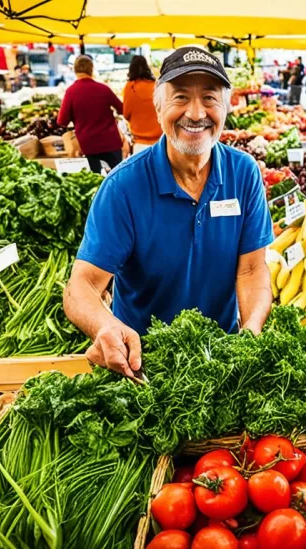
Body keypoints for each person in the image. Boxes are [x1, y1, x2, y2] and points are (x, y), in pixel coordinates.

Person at [64, 47, 274, 379]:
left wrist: (251, 330)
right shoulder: (123, 187)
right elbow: (81, 286)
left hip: (220, 360)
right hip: (142, 366)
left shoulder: (243, 173)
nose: (195, 113)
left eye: (209, 98)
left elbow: (252, 271)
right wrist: (104, 325)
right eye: (180, 98)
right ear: (159, 106)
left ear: (226, 107)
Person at [58, 55, 125, 175]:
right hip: (110, 141)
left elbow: (62, 120)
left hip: (88, 144)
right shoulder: (104, 89)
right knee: (118, 176)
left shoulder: (71, 92)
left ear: (75, 70)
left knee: (95, 179)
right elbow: (122, 109)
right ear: (91, 69)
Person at [122, 55, 162, 154]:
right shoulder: (157, 86)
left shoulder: (130, 87)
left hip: (139, 143)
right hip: (160, 141)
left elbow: (126, 114)